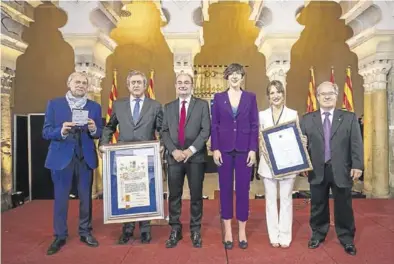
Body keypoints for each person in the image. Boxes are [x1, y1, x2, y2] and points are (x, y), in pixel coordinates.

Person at [99, 70, 163, 245]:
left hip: (146, 157)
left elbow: (162, 129)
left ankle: (145, 229)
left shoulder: (155, 105)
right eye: (132, 82)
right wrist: (103, 144)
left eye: (139, 82)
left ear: (144, 85)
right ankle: (127, 229)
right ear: (128, 85)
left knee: (144, 191)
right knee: (126, 191)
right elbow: (109, 127)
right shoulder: (118, 105)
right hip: (123, 156)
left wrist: (163, 145)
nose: (136, 85)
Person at [43, 72, 103, 255]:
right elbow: (46, 132)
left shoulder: (94, 106)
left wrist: (94, 129)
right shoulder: (54, 104)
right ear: (69, 83)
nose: (81, 85)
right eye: (77, 82)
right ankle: (60, 235)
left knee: (86, 199)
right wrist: (60, 131)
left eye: (84, 83)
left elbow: (99, 131)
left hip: (85, 157)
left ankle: (85, 232)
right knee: (61, 199)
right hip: (61, 158)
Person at [300, 81, 363, 256]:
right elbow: (301, 145)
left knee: (343, 205)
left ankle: (347, 238)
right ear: (317, 97)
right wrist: (302, 163)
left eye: (331, 93)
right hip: (317, 169)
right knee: (318, 205)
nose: (327, 96)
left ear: (336, 96)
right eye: (322, 94)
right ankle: (318, 234)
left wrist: (357, 165)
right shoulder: (307, 119)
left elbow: (356, 143)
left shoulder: (349, 118)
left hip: (342, 169)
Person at [211, 63, 258, 250]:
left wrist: (253, 149)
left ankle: (242, 230)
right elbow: (215, 124)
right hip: (224, 149)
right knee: (225, 190)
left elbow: (255, 124)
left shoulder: (250, 97)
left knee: (243, 190)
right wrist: (215, 148)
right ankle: (228, 230)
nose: (235, 76)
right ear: (226, 76)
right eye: (231, 73)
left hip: (244, 150)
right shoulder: (218, 97)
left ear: (242, 77)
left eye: (238, 73)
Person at [161, 73, 211, 248]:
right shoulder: (167, 107)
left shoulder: (202, 105)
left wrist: (190, 150)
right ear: (175, 85)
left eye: (186, 82)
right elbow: (164, 131)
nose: (183, 85)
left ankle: (195, 229)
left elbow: (206, 130)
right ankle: (175, 228)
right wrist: (173, 150)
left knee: (196, 195)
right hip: (174, 158)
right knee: (174, 195)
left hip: (195, 157)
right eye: (180, 82)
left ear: (192, 85)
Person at [258, 80, 298, 248]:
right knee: (271, 201)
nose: (275, 95)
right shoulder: (262, 115)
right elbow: (259, 139)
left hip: (287, 164)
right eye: (272, 93)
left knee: (286, 199)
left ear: (283, 94)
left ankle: (285, 236)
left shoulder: (292, 114)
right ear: (268, 96)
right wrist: (266, 154)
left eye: (278, 92)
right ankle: (274, 235)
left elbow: (297, 138)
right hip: (268, 164)